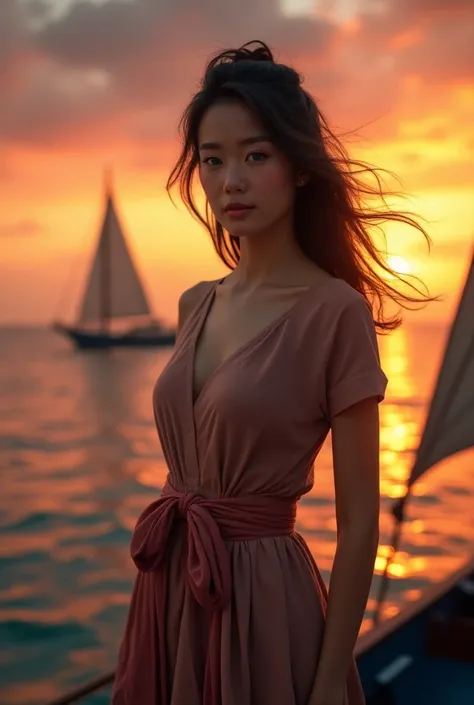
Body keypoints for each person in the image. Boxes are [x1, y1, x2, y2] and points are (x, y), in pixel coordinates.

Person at [112, 40, 432, 705]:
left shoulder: (334, 312)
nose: (232, 180)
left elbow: (360, 526)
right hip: (169, 583)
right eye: (213, 159)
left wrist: (323, 684)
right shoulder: (195, 302)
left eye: (256, 155)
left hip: (260, 594)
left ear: (301, 167)